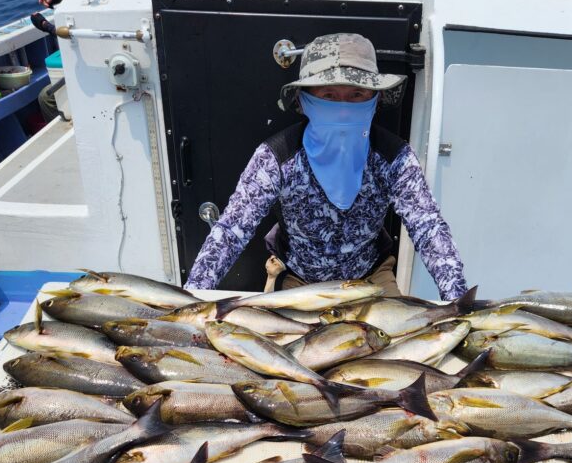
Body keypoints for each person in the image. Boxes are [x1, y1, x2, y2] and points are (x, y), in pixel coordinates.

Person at [184, 33, 468, 300]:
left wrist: (458, 302)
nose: (343, 107)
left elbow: (428, 226)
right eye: (329, 96)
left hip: (370, 278)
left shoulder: (394, 157)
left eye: (357, 94)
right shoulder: (277, 157)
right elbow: (233, 228)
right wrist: (192, 298)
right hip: (298, 279)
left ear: (376, 98)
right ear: (303, 100)